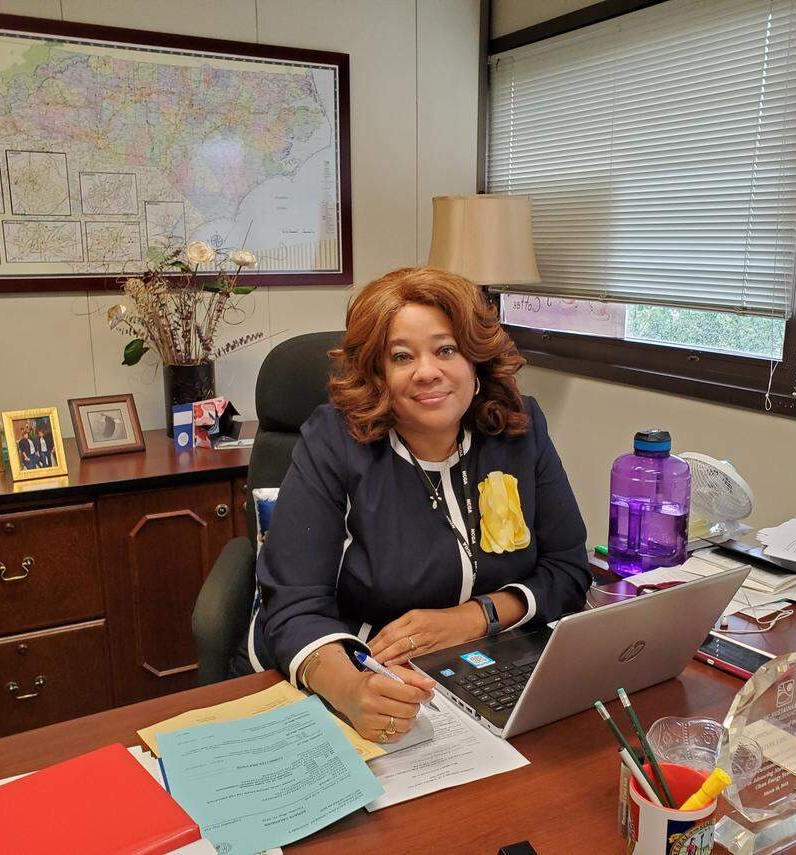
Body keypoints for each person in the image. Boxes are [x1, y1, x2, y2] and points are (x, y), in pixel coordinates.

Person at [233, 267, 589, 744]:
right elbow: (294, 606)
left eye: (446, 350)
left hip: (486, 672)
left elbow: (567, 570)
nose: (427, 372)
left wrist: (474, 616)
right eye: (402, 356)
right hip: (350, 669)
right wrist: (354, 690)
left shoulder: (518, 429)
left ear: (476, 361)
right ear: (378, 374)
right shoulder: (335, 442)